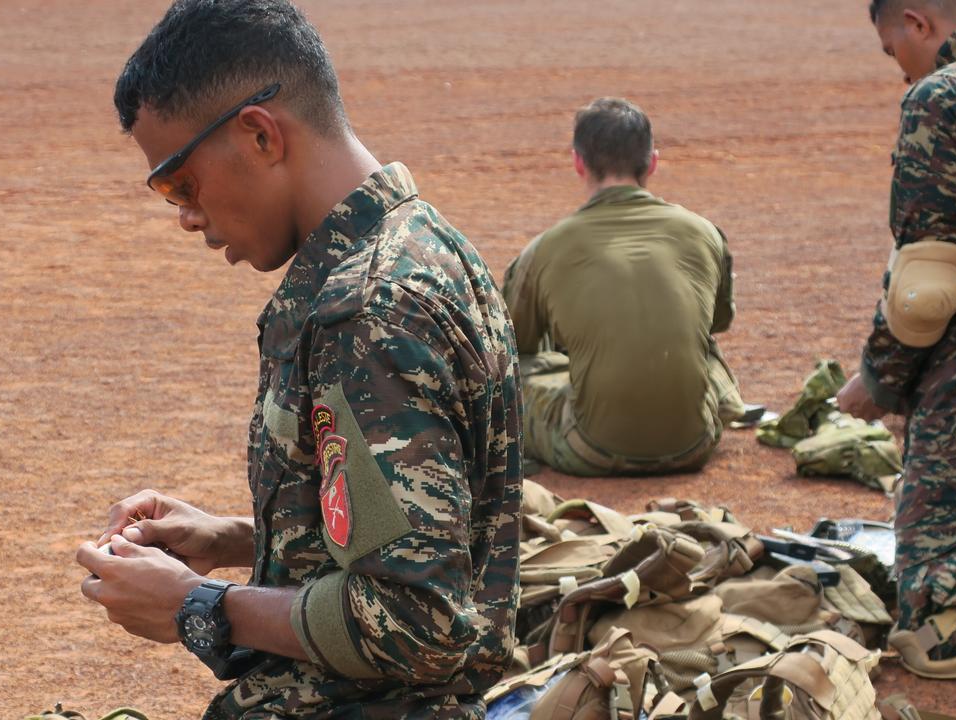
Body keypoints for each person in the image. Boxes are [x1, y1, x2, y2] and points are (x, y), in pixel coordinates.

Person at [74, 1, 523, 716]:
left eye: (180, 183)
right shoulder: (423, 242)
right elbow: (421, 536)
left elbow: (416, 621)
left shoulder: (364, 309)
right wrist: (232, 538)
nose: (185, 215)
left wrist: (201, 604)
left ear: (258, 134)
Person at [501, 98, 744, 477]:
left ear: (578, 163)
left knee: (514, 375)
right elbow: (718, 321)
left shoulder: (546, 248)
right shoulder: (705, 233)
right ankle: (723, 406)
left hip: (590, 449)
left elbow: (514, 347)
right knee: (701, 347)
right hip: (695, 444)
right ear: (652, 162)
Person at [836, 0, 956, 680]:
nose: (900, 71)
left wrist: (878, 379)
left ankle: (950, 624)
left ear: (917, 22)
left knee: (942, 512)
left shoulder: (943, 98)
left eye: (894, 51)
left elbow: (927, 287)